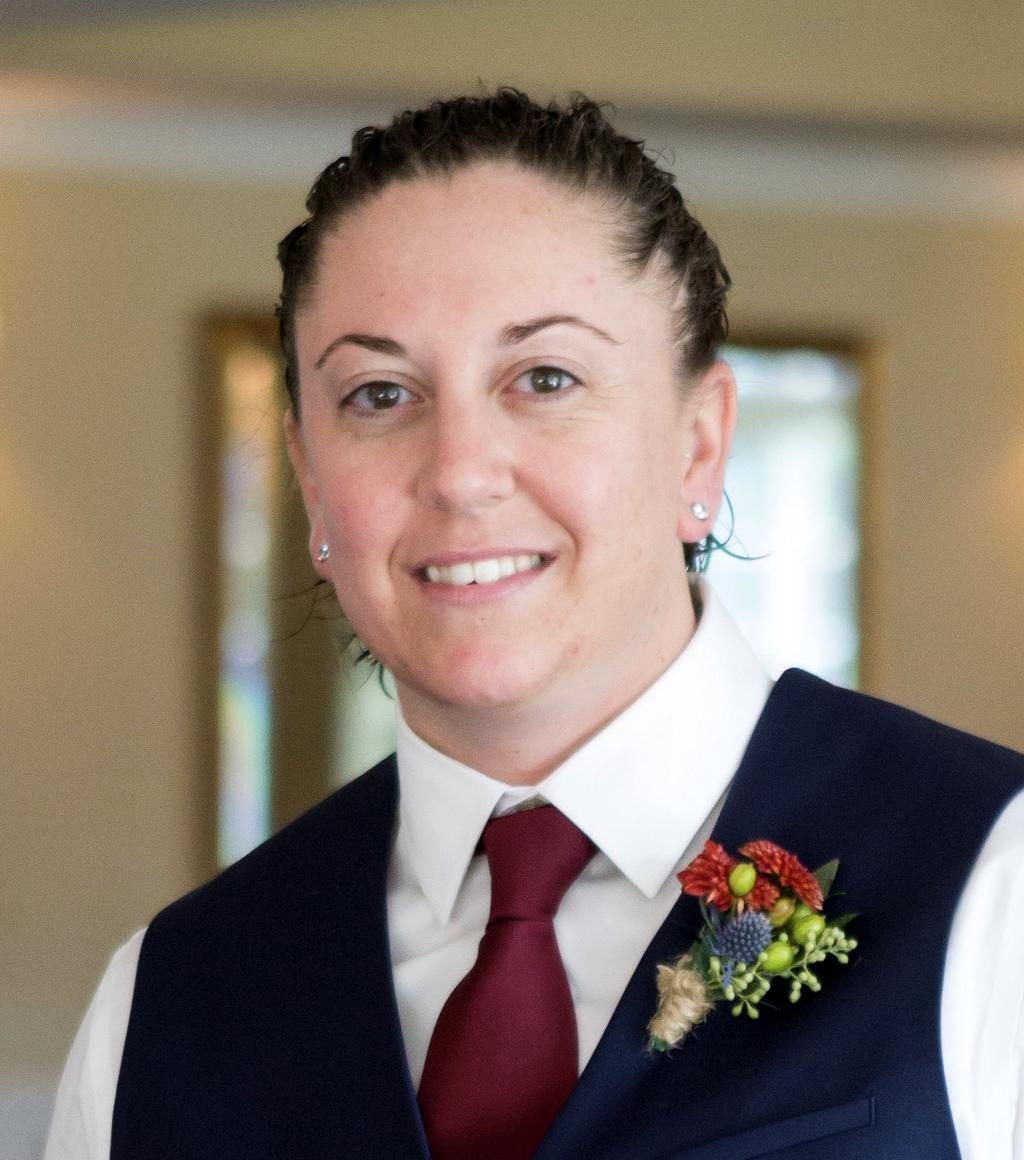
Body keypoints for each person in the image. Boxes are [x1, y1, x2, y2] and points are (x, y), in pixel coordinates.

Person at [46, 90, 1024, 1160]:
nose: (459, 472)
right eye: (379, 394)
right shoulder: (167, 999)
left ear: (698, 445)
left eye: (545, 377)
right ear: (311, 482)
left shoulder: (996, 883)